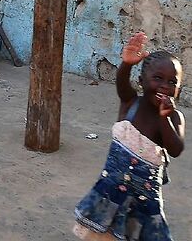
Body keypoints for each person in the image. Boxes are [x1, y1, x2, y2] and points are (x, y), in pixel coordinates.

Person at [73, 32, 185, 241]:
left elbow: (176, 149)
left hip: (143, 202)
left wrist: (164, 118)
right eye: (158, 78)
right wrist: (126, 64)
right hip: (110, 195)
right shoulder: (130, 103)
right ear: (141, 81)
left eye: (172, 82)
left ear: (178, 89)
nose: (164, 86)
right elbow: (122, 83)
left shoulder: (175, 117)